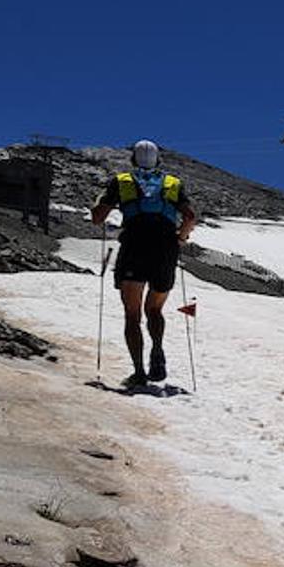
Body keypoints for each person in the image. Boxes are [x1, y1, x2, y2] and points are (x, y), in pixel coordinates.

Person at [90, 140, 197, 386]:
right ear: (158, 160)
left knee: (132, 315)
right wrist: (180, 238)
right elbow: (190, 217)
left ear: (133, 159)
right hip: (165, 250)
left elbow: (98, 218)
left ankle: (139, 372)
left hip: (135, 246)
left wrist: (98, 201)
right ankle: (157, 350)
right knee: (155, 310)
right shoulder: (172, 184)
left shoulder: (121, 181)